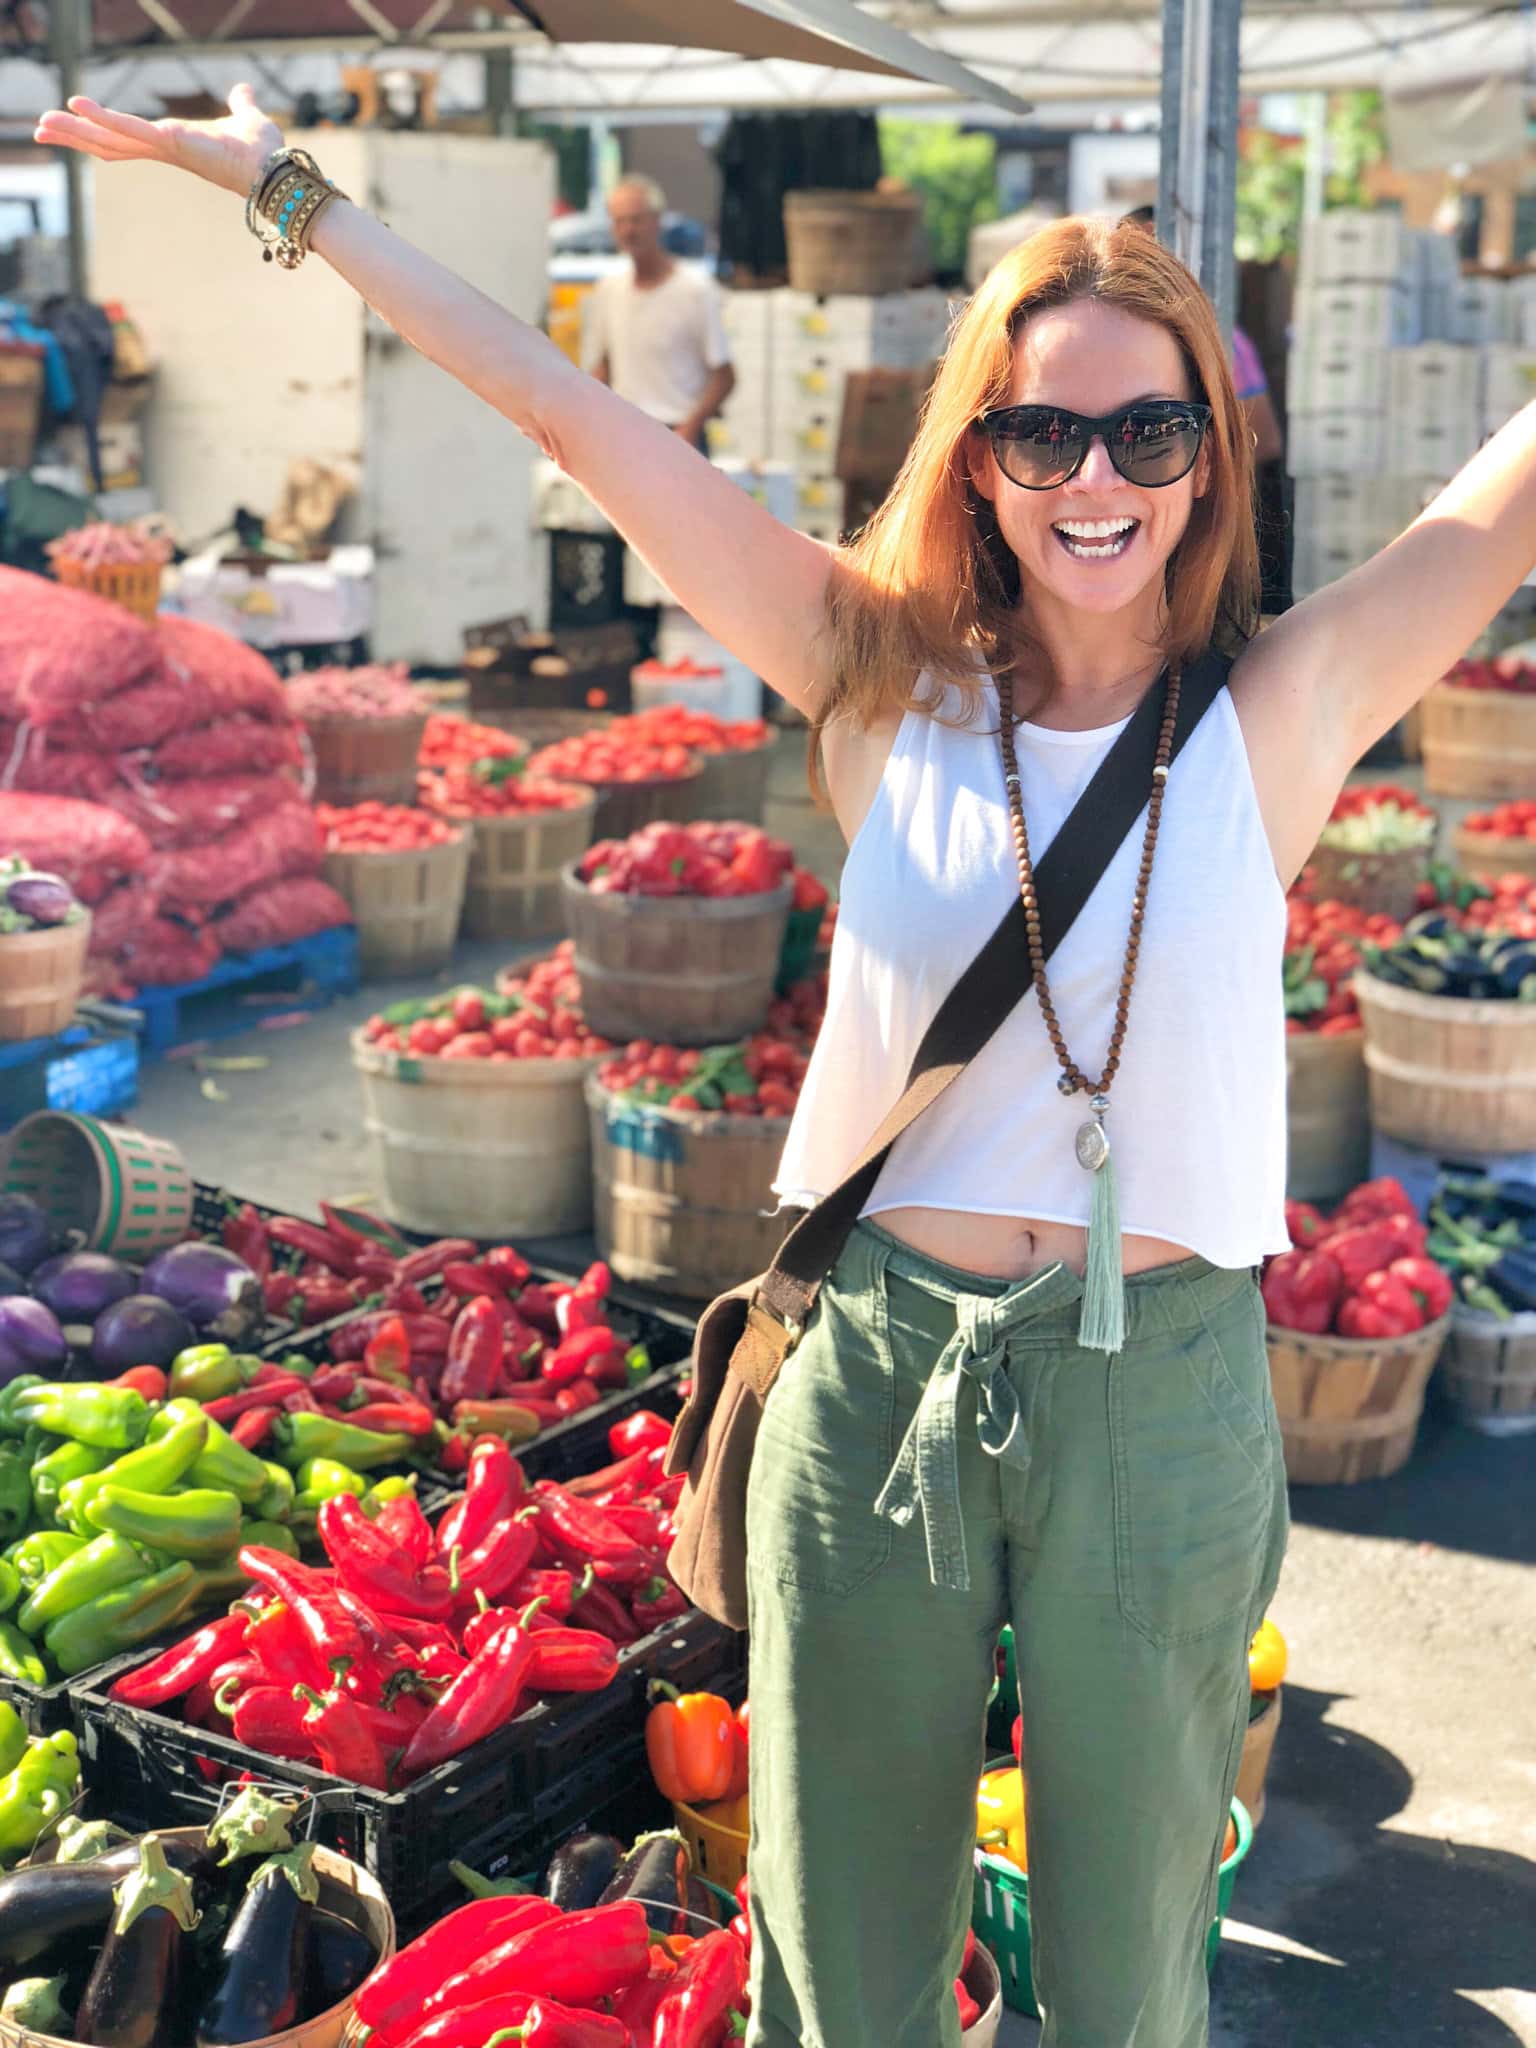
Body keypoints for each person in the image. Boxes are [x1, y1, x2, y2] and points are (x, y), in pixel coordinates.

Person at [40, 87, 1536, 2047]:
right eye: (1043, 427)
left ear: (1210, 459)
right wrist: (288, 191)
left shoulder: (1285, 697)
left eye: (1149, 427)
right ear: (981, 456)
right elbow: (574, 417)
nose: (1098, 474)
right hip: (874, 1369)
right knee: (843, 1960)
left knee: (1125, 1968)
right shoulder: (868, 667)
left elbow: (1498, 499)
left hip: (1152, 1388)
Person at [582, 173, 735, 451]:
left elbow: (724, 376)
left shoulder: (696, 290)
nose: (629, 230)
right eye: (620, 221)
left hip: (681, 433)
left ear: (657, 221)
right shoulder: (608, 289)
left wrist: (691, 426)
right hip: (624, 433)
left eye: (637, 219)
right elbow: (602, 367)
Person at [1122, 203, 1282, 463]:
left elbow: (1265, 440)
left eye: (1155, 253)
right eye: (1132, 256)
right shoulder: (1107, 342)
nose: (1146, 270)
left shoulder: (1226, 344)